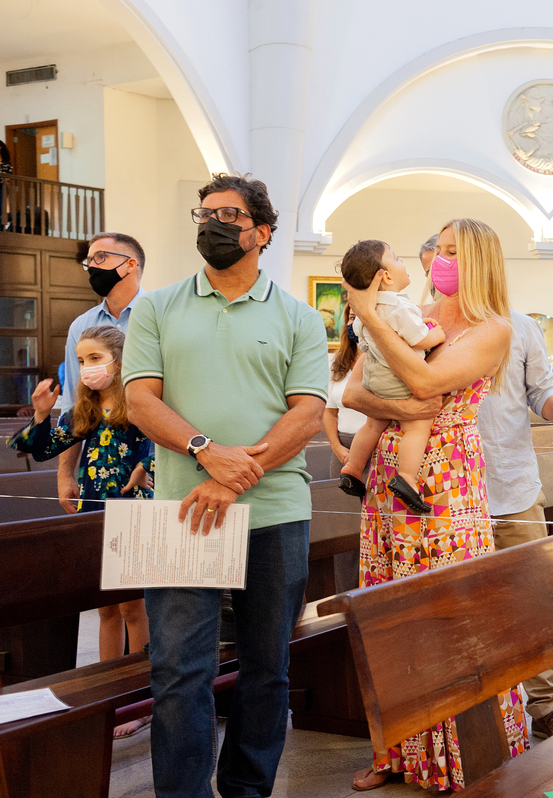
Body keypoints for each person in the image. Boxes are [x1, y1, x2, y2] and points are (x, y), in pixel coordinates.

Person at [124, 173, 329, 798]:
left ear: (262, 232)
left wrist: (243, 473)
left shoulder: (298, 317)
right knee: (179, 672)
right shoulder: (157, 306)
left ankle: (246, 790)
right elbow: (138, 400)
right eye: (205, 213)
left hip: (274, 510)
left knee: (267, 668)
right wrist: (206, 453)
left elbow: (306, 412)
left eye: (230, 215)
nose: (213, 225)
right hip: (180, 510)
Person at [341, 217, 525, 792]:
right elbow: (351, 391)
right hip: (390, 468)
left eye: (451, 252)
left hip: (445, 477)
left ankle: (459, 752)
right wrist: (403, 408)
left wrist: (369, 317)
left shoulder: (494, 327)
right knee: (385, 607)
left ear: (478, 262)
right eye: (436, 250)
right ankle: (392, 749)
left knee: (447, 609)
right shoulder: (413, 311)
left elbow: (424, 384)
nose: (437, 261)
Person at [10, 325, 154, 738]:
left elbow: (163, 445)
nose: (87, 368)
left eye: (94, 359)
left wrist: (149, 464)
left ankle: (138, 700)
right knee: (104, 608)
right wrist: (40, 413)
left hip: (133, 512)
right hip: (94, 513)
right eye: (81, 361)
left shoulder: (140, 403)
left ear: (119, 362)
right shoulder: (82, 412)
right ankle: (105, 697)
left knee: (131, 607)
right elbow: (38, 449)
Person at [476, 311, 553, 739]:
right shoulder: (426, 322)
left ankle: (546, 703)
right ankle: (476, 707)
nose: (439, 272)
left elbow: (543, 387)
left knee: (534, 596)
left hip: (512, 482)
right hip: (450, 493)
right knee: (465, 607)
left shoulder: (519, 324)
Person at [334, 239, 445, 511]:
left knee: (372, 425)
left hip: (375, 380)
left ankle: (352, 468)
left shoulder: (364, 311)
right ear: (385, 276)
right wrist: (437, 334)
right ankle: (407, 477)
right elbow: (419, 339)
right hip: (398, 380)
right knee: (417, 425)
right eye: (397, 258)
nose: (403, 262)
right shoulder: (399, 306)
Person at [57, 232, 148, 515]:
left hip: (150, 454)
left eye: (101, 257)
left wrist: (152, 461)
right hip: (99, 459)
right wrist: (65, 474)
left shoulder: (159, 314)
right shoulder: (81, 326)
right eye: (89, 261)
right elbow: (75, 402)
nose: (92, 266)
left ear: (130, 264)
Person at [324, 304, 368, 478]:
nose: (355, 323)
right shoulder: (336, 366)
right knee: (341, 504)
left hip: (377, 449)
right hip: (344, 452)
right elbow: (329, 412)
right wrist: (338, 449)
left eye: (361, 317)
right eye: (351, 318)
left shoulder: (386, 364)